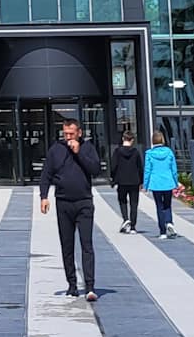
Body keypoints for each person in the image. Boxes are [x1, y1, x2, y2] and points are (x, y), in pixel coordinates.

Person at [37, 118, 100, 301]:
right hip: (63, 202)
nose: (68, 137)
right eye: (65, 134)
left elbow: (95, 169)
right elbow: (46, 174)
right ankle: (72, 285)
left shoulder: (88, 148)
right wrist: (43, 196)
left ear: (79, 133)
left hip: (84, 202)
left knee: (86, 244)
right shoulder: (56, 150)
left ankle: (90, 286)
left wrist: (79, 153)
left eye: (71, 133)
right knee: (67, 245)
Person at [143, 127, 180, 238]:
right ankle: (169, 222)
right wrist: (176, 182)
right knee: (167, 204)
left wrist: (145, 185)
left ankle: (162, 231)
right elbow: (174, 169)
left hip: (155, 183)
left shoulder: (149, 154)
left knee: (159, 206)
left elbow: (147, 170)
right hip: (168, 182)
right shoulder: (169, 152)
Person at [107, 128, 144, 234]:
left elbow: (113, 166)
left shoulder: (117, 152)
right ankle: (133, 227)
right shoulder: (136, 152)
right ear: (132, 140)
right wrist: (141, 181)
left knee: (122, 201)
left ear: (123, 139)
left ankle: (125, 219)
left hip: (121, 181)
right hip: (134, 181)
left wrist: (113, 178)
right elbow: (140, 167)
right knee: (134, 204)